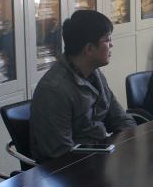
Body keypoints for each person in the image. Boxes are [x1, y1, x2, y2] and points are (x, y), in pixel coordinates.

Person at [30, 10, 136, 163]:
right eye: (107, 40)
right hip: (71, 170)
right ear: (89, 49)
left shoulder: (95, 74)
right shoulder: (54, 90)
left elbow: (121, 120)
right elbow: (61, 155)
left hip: (99, 158)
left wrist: (130, 144)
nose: (111, 44)